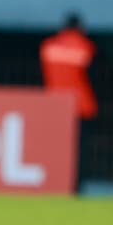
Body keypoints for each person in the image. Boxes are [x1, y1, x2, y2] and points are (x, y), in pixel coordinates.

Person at [39, 12, 97, 189]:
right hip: (80, 105)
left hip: (56, 105)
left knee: (56, 148)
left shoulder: (48, 46)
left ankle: (56, 182)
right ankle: (76, 185)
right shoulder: (85, 46)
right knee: (79, 150)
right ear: (80, 27)